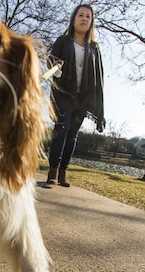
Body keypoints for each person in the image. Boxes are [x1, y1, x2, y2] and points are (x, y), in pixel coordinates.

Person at [46, 4, 105, 187]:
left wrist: (98, 102)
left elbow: (99, 75)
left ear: (91, 21)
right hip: (64, 94)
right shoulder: (63, 41)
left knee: (72, 136)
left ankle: (63, 172)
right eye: (81, 15)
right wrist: (55, 69)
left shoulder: (94, 47)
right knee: (61, 130)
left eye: (88, 16)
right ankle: (52, 172)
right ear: (73, 19)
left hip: (83, 97)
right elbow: (51, 60)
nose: (84, 18)